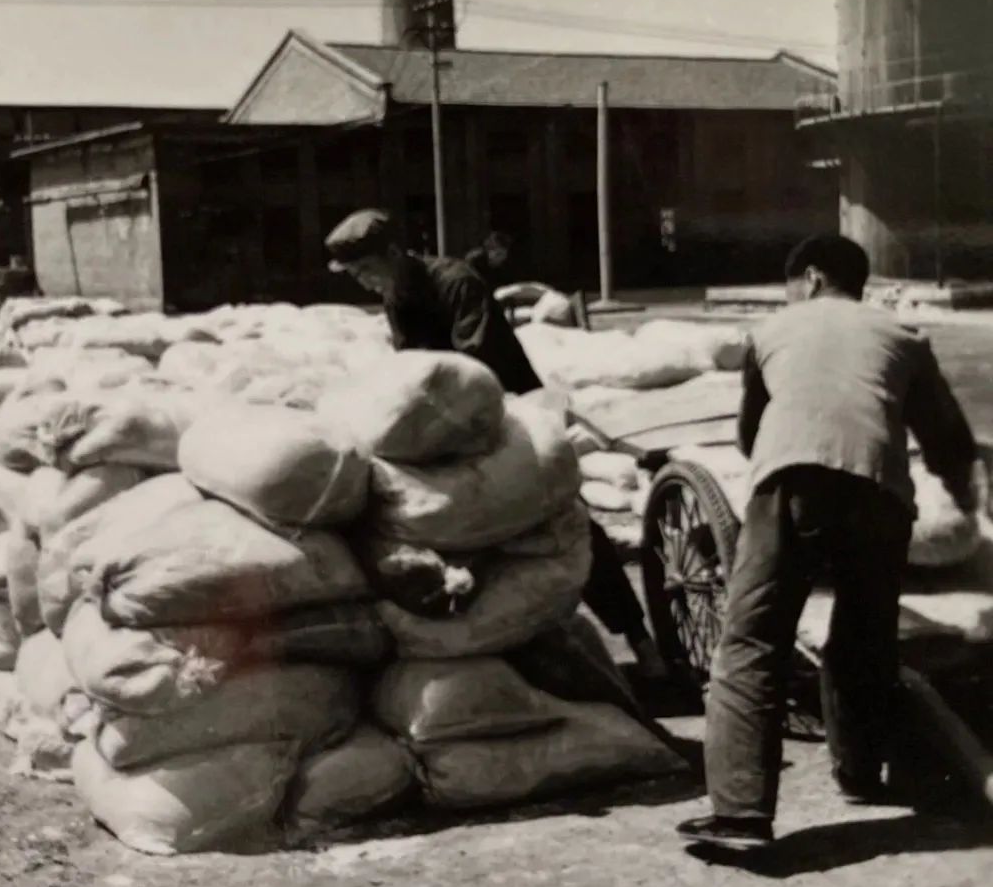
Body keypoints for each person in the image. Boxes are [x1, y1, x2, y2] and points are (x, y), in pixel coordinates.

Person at [678, 235, 977, 851]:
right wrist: (966, 502)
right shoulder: (904, 336)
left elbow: (749, 434)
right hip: (880, 494)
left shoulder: (771, 330)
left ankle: (740, 814)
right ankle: (860, 773)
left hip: (792, 482)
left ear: (810, 278)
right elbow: (946, 439)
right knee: (864, 637)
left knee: (752, 639)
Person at [326, 207, 667, 678]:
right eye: (355, 275)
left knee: (567, 522)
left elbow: (477, 371)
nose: (363, 281)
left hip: (510, 414)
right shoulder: (396, 298)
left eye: (366, 269)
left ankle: (641, 641)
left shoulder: (457, 283)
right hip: (445, 429)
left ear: (392, 253)